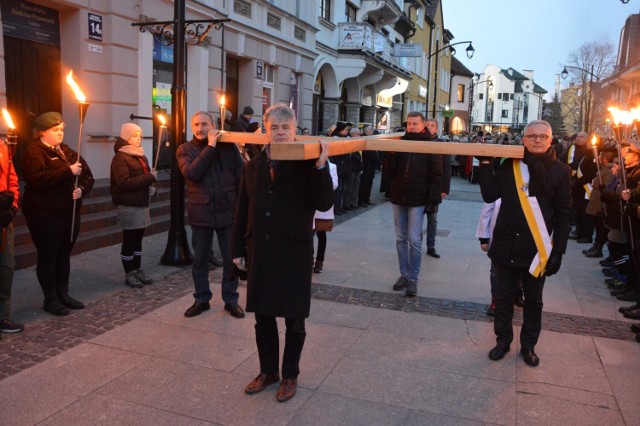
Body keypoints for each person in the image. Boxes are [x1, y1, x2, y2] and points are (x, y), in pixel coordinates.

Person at [232, 104, 334, 403]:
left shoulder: (307, 164)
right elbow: (243, 209)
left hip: (294, 251)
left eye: (284, 128)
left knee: (294, 319)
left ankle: (290, 375)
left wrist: (320, 167)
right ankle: (268, 372)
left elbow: (324, 201)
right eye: (273, 127)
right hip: (261, 249)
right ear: (264, 130)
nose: (279, 132)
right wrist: (237, 249)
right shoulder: (253, 166)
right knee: (263, 317)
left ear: (294, 131)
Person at [478, 119, 572, 367]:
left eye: (543, 136)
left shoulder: (561, 171)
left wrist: (558, 252)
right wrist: (485, 162)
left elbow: (564, 215)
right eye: (532, 136)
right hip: (507, 244)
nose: (538, 140)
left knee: (534, 302)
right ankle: (502, 341)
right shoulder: (510, 165)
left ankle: (529, 345)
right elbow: (490, 195)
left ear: (551, 140)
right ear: (524, 139)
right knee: (504, 297)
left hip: (536, 251)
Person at [22, 112, 95, 316]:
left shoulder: (67, 151)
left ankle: (63, 293)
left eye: (62, 129)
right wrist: (67, 172)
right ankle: (51, 298)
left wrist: (82, 190)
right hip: (45, 214)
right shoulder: (34, 152)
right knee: (49, 255)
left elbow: (88, 176)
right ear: (42, 132)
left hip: (69, 213)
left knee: (64, 254)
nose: (60, 132)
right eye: (55, 130)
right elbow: (38, 179)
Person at [177, 111, 245, 319]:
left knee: (230, 259)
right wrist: (210, 147)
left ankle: (231, 299)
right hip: (202, 212)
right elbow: (192, 173)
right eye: (196, 124)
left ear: (213, 124)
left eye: (204, 124)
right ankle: (202, 299)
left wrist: (241, 206)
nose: (200, 128)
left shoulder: (228, 147)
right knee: (200, 259)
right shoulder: (184, 150)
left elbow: (240, 177)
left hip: (227, 211)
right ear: (192, 127)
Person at [383, 111, 443, 297]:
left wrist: (433, 199)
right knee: (400, 238)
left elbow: (437, 173)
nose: (411, 127)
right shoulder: (400, 142)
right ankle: (404, 275)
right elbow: (389, 170)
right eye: (409, 124)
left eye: (415, 124)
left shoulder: (430, 145)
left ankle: (413, 279)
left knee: (414, 239)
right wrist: (392, 155)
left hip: (418, 198)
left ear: (423, 125)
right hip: (399, 196)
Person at [110, 123, 158, 288]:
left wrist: (150, 187)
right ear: (126, 138)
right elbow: (124, 182)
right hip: (129, 204)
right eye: (135, 135)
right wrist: (149, 178)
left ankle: (137, 269)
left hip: (141, 202)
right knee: (130, 240)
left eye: (140, 135)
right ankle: (129, 272)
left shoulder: (140, 155)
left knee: (138, 240)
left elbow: (146, 175)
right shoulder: (120, 157)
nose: (139, 138)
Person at [0, 127, 23, 334]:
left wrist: (12, 207)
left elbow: (13, 182)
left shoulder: (4, 149)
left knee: (6, 268)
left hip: (4, 221)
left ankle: (4, 317)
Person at [424, 119, 451, 259]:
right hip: (420, 185)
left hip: (434, 187)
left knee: (432, 218)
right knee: (416, 218)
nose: (429, 128)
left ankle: (431, 246)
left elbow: (447, 167)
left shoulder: (441, 144)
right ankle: (416, 244)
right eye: (427, 125)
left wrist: (445, 188)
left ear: (437, 129)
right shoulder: (419, 142)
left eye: (432, 126)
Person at [568, 132, 597, 243]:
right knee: (578, 212)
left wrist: (578, 182)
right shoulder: (585, 155)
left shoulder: (593, 157)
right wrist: (574, 180)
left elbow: (590, 173)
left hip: (585, 188)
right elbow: (578, 167)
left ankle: (587, 235)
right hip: (578, 188)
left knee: (585, 214)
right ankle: (579, 233)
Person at [314, 160, 339, 273]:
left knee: (321, 234)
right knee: (308, 234)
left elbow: (334, 184)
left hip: (323, 206)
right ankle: (309, 258)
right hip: (310, 205)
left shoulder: (332, 166)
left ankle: (320, 261)